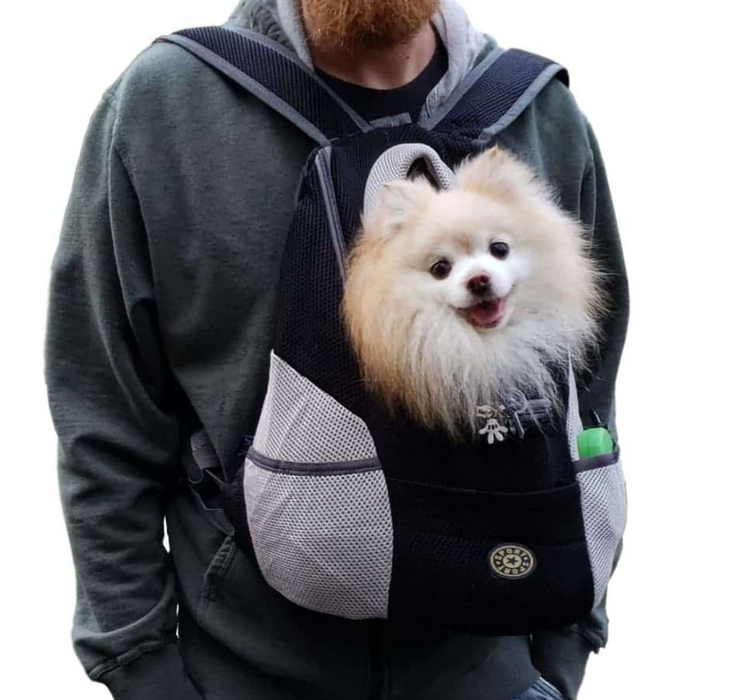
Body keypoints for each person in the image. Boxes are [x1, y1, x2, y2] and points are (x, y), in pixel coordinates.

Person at [43, 1, 629, 699]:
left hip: (495, 670)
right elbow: (103, 405)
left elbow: (590, 397)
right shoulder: (168, 106)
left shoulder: (537, 113)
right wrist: (140, 664)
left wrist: (565, 643)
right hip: (242, 671)